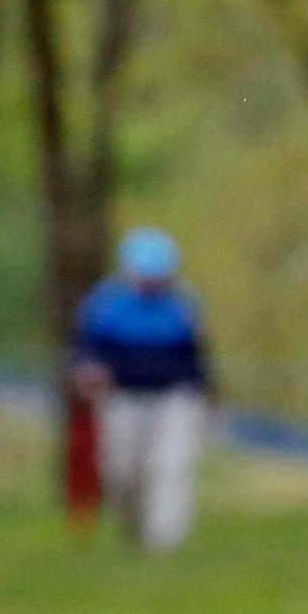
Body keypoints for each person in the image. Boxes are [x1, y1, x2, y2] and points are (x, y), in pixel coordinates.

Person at [72, 227, 214, 553]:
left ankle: (163, 542)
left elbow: (197, 358)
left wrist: (207, 399)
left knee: (171, 467)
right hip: (121, 398)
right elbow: (85, 351)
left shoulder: (183, 304)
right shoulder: (105, 303)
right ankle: (133, 527)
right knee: (121, 470)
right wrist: (89, 372)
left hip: (174, 398)